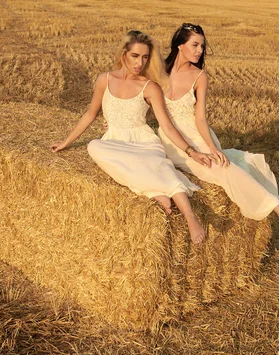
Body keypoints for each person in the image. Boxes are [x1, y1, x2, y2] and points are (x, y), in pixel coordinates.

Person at [51, 30, 212, 244]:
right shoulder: (104, 80)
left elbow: (167, 126)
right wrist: (66, 141)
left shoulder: (149, 86)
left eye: (145, 57)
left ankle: (191, 218)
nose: (140, 63)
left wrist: (192, 152)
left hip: (143, 142)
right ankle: (153, 192)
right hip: (115, 141)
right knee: (94, 146)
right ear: (123, 54)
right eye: (135, 56)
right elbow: (90, 114)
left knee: (159, 166)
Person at [158, 23, 279, 229]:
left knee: (222, 165)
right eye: (195, 45)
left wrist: (212, 148)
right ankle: (273, 200)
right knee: (226, 167)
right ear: (180, 45)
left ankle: (273, 204)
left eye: (202, 46)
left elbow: (200, 119)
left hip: (197, 135)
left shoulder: (199, 76)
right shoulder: (159, 71)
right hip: (171, 141)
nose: (200, 51)